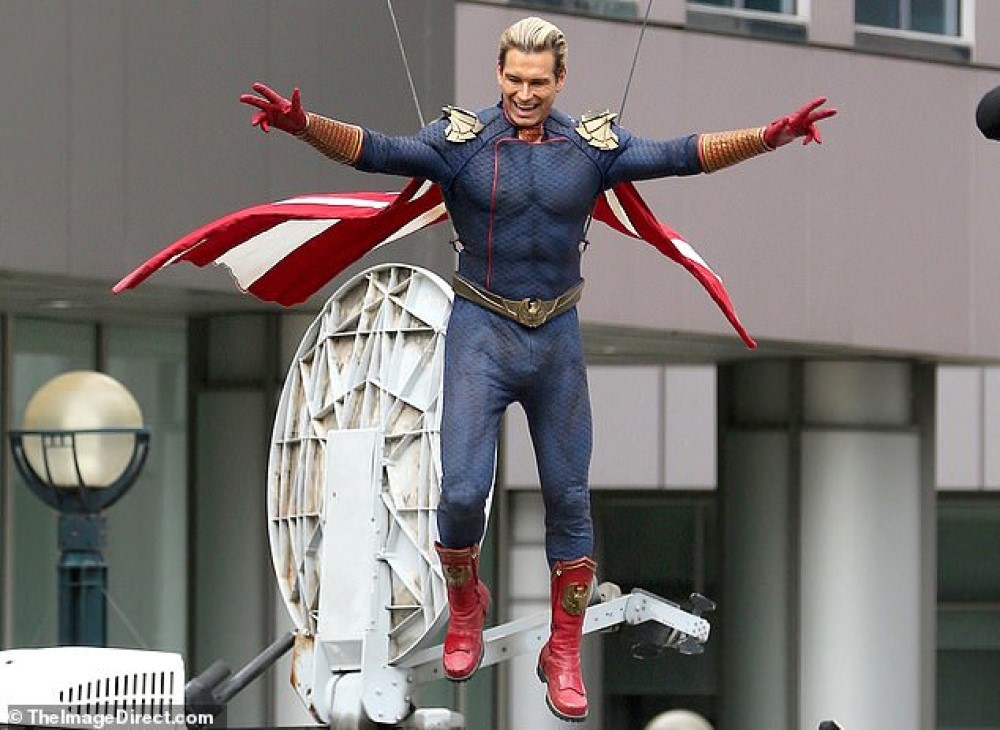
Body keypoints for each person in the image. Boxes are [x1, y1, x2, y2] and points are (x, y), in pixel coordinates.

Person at [241, 16, 835, 723]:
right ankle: (466, 602)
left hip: (555, 338)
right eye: (514, 80)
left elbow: (682, 154)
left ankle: (564, 647)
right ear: (499, 73)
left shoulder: (589, 147)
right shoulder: (461, 142)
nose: (525, 94)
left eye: (538, 83)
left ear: (560, 80)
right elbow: (378, 150)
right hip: (481, 332)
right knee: (462, 492)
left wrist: (769, 135)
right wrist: (304, 125)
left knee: (570, 501)